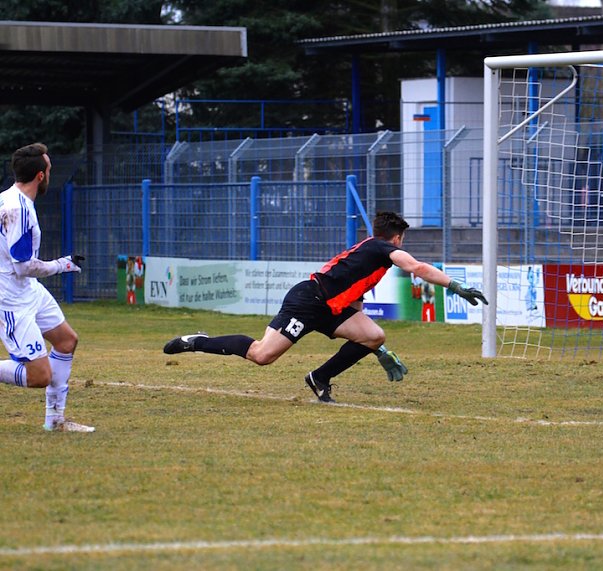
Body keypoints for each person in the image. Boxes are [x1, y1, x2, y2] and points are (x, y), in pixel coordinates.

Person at [164, 211, 488, 403]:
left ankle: (318, 379)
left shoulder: (370, 257)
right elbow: (416, 268)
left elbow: (356, 303)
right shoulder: (382, 249)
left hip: (331, 308)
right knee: (262, 355)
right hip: (308, 301)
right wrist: (455, 286)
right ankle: (197, 342)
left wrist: (378, 351)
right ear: (397, 238)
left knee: (374, 336)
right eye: (402, 240)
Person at [0, 143, 92, 432]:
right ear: (41, 176)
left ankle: (56, 421)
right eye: (49, 169)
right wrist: (60, 265)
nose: (50, 174)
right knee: (40, 375)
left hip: (29, 290)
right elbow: (23, 266)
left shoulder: (8, 199)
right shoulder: (19, 210)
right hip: (11, 298)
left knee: (66, 341)